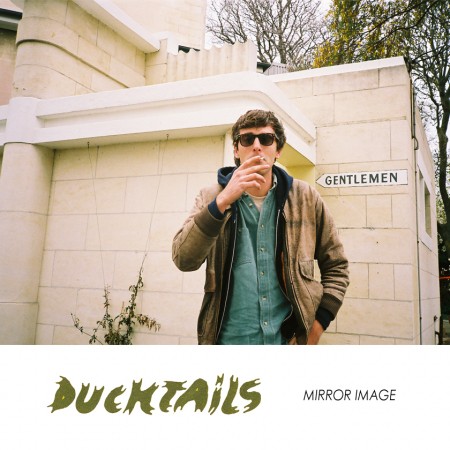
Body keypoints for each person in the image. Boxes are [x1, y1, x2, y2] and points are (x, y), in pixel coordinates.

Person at [172, 109, 349, 345]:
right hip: (229, 343)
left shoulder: (306, 197)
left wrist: (316, 327)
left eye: (266, 139)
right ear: (236, 150)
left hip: (287, 342)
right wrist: (221, 203)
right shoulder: (211, 197)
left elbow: (337, 266)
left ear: (278, 150)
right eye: (247, 139)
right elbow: (183, 259)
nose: (257, 146)